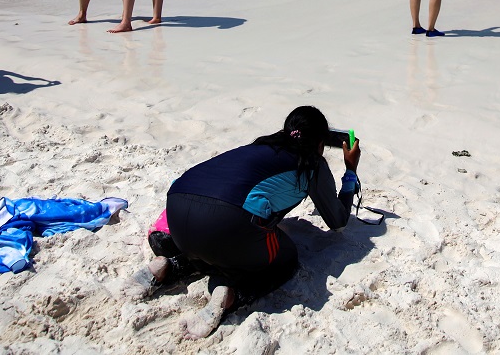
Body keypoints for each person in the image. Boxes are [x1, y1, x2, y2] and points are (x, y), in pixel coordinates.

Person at [136, 105, 361, 338]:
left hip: (177, 211)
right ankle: (233, 296)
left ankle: (170, 266)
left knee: (219, 244)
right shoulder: (313, 164)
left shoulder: (259, 146)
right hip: (224, 222)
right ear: (320, 142)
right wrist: (350, 170)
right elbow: (338, 222)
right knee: (285, 258)